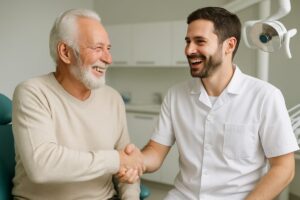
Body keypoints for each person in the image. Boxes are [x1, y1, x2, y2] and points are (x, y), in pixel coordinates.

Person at [120, 6, 300, 200]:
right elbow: (155, 151)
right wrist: (139, 161)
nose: (189, 50)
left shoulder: (265, 97)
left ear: (229, 45)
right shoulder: (176, 95)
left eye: (200, 41)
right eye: (188, 41)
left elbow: (284, 168)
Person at [12, 9, 143, 200]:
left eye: (108, 48)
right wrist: (116, 160)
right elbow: (42, 167)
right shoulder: (32, 92)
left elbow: (127, 166)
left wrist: (130, 193)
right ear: (65, 52)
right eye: (98, 48)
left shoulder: (113, 98)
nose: (108, 59)